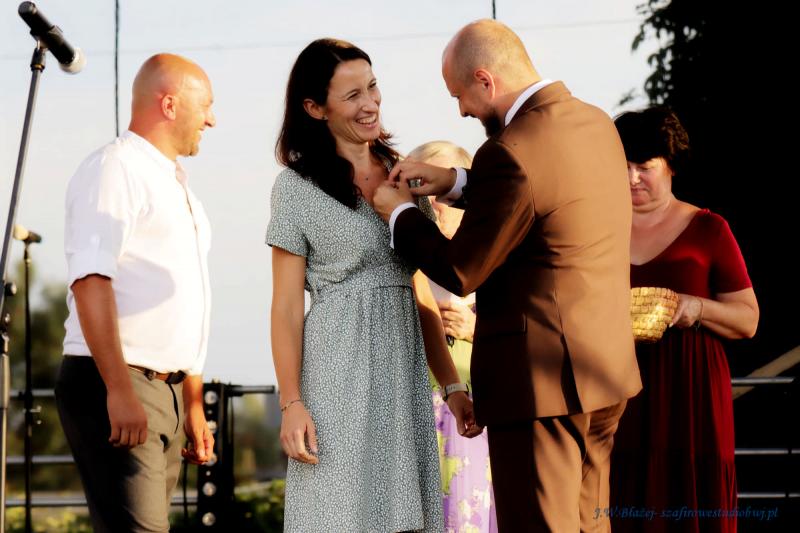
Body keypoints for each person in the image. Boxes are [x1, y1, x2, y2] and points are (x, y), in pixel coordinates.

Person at [373, 19, 642, 532]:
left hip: (542, 386)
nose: (462, 111)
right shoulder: (594, 123)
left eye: (460, 95)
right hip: (605, 375)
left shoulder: (510, 151)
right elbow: (544, 193)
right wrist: (456, 181)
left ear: (485, 79)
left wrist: (399, 213)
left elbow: (461, 270)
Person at [267, 38, 479, 533]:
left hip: (403, 375)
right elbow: (285, 308)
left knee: (404, 517)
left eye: (372, 87)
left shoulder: (405, 175)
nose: (370, 104)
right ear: (315, 108)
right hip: (334, 375)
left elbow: (420, 292)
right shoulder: (295, 188)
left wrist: (451, 385)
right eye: (352, 95)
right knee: (336, 514)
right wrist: (291, 402)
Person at [55, 54, 216, 533]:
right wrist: (119, 390)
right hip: (119, 379)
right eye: (205, 106)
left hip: (165, 391)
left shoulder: (179, 188)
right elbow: (90, 280)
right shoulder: (115, 168)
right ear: (169, 104)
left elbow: (191, 302)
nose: (212, 119)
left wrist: (192, 403)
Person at [609, 107, 759, 533]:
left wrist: (698, 308)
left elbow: (748, 319)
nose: (632, 178)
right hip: (619, 388)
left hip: (691, 392)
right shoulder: (598, 230)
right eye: (624, 166)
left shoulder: (710, 229)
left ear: (671, 165)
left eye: (644, 167)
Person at [407, 141, 497, 532]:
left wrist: (477, 331)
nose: (432, 203)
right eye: (420, 190)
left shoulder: (499, 269)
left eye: (441, 191)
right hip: (414, 427)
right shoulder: (402, 272)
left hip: (479, 426)